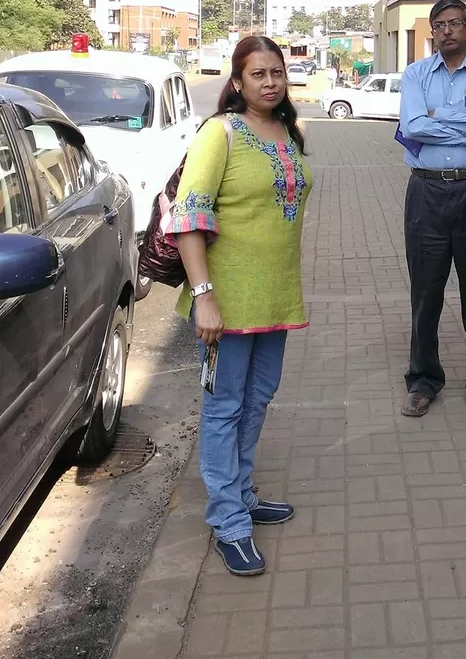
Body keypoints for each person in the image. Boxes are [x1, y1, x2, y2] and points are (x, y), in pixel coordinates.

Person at [169, 34, 312, 578]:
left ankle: (242, 493)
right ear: (237, 82)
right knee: (224, 407)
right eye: (258, 74)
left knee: (258, 399)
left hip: (274, 297)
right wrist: (203, 297)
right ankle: (229, 520)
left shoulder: (288, 132)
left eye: (277, 72)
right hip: (223, 303)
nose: (271, 81)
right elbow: (190, 217)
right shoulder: (219, 133)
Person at [398, 0, 466, 421]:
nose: (447, 31)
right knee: (425, 292)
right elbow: (411, 127)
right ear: (432, 33)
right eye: (439, 25)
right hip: (426, 193)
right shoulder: (415, 74)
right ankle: (423, 380)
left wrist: (439, 115)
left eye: (454, 24)